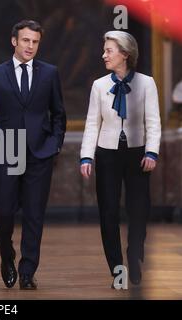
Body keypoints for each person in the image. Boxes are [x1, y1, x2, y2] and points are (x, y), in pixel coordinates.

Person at [0, 20, 66, 290]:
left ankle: (28, 272)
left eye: (35, 42)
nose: (30, 46)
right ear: (14, 41)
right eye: (26, 40)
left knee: (34, 215)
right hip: (7, 152)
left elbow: (59, 114)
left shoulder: (49, 73)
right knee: (4, 212)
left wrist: (54, 144)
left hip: (40, 154)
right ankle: (6, 255)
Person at [80, 31, 161, 288]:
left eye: (109, 51)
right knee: (108, 212)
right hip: (107, 154)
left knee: (139, 211)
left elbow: (154, 122)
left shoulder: (147, 83)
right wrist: (86, 156)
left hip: (138, 155)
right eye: (104, 50)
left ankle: (134, 257)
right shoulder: (99, 85)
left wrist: (152, 152)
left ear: (125, 54)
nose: (104, 55)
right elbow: (92, 123)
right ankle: (117, 270)